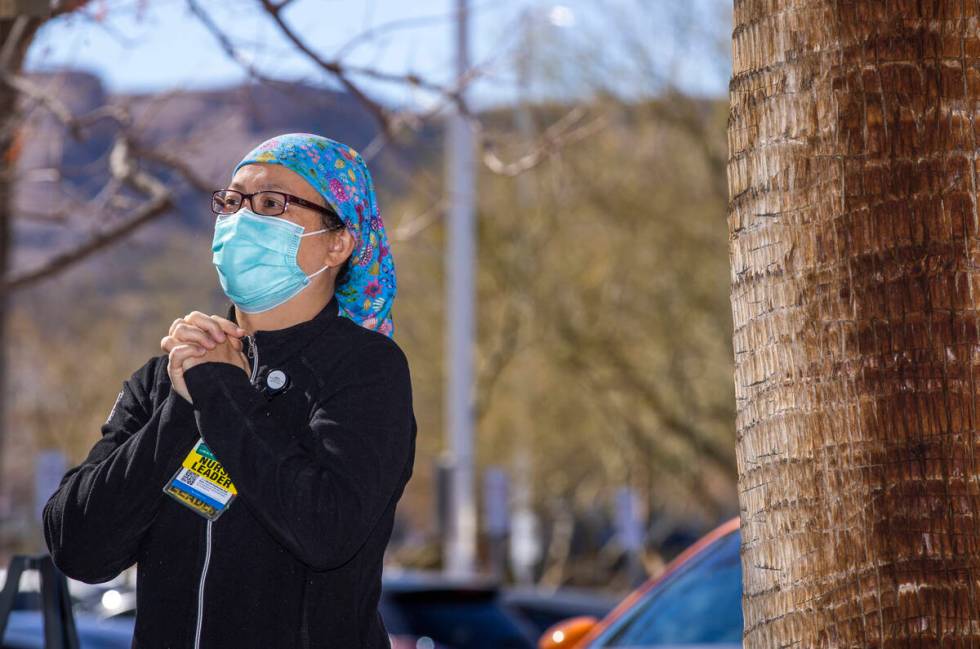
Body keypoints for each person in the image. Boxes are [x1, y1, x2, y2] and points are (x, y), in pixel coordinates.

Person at [42, 132, 417, 649]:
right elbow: (79, 548)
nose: (242, 219)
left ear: (339, 242)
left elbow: (325, 531)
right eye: (232, 202)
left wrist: (221, 390)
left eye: (271, 204)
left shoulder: (366, 369)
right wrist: (181, 407)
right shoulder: (164, 379)